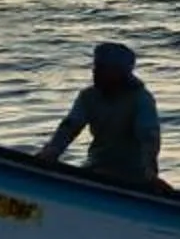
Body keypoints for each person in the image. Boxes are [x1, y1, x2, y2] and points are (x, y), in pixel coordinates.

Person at [38, 41, 163, 187]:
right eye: (95, 66)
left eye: (101, 67)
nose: (94, 71)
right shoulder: (88, 96)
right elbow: (70, 127)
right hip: (96, 167)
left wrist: (150, 173)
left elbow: (149, 137)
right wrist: (51, 153)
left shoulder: (141, 99)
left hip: (134, 175)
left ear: (119, 72)